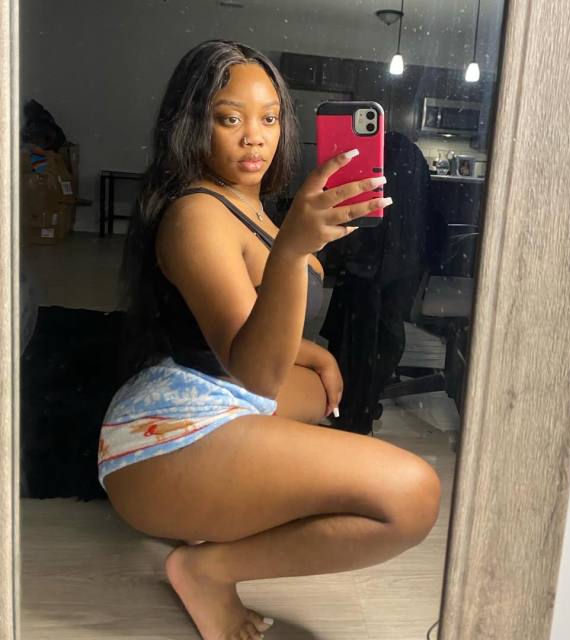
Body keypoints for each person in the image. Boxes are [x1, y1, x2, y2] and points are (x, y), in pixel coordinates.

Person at [98, 39, 441, 640]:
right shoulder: (196, 214)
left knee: (321, 386)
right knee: (412, 496)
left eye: (270, 118)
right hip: (160, 440)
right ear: (190, 124)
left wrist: (313, 350)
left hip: (217, 387)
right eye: (229, 119)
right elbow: (255, 371)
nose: (254, 138)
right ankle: (207, 569)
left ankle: (229, 508)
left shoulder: (252, 205)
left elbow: (251, 323)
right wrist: (293, 250)